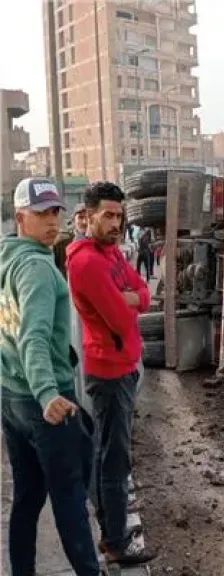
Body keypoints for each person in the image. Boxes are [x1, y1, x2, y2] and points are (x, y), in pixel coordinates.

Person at [0, 177, 101, 576]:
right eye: (42, 213)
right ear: (20, 216)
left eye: (56, 211)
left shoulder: (7, 257)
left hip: (11, 397)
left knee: (26, 496)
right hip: (42, 400)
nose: (52, 221)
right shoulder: (37, 268)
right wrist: (47, 394)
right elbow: (33, 337)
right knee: (70, 497)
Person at [66, 181, 157, 566]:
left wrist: (131, 298)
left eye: (119, 216)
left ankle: (114, 525)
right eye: (108, 215)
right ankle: (116, 541)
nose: (115, 223)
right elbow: (120, 318)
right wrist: (129, 302)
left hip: (124, 367)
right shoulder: (86, 262)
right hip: (108, 372)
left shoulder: (111, 253)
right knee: (113, 458)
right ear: (87, 216)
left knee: (112, 451)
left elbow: (144, 293)